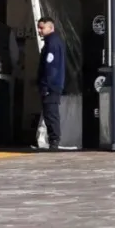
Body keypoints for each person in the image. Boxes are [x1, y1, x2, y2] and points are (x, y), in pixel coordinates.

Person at [36, 17, 65, 150]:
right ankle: (53, 140)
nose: (39, 31)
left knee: (51, 113)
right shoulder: (51, 42)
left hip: (51, 85)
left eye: (42, 28)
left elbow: (51, 66)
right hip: (51, 84)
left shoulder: (52, 43)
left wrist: (47, 85)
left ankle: (54, 141)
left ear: (50, 27)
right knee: (49, 113)